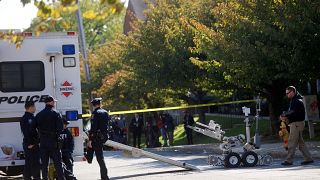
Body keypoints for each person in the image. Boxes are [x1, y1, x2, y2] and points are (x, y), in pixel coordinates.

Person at [280, 86, 314, 166]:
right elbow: (293, 112)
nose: (287, 95)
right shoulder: (296, 100)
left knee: (292, 142)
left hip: (296, 124)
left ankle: (289, 160)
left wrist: (284, 115)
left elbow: (293, 112)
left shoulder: (297, 101)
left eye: (288, 93)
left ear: (292, 92)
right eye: (286, 93)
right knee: (300, 143)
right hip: (297, 124)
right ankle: (308, 158)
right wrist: (286, 115)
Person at [35, 96, 65, 180]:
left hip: (43, 141)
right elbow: (60, 128)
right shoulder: (56, 113)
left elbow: (35, 127)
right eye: (54, 102)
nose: (55, 103)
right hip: (54, 141)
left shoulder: (39, 114)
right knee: (58, 163)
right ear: (51, 102)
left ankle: (45, 178)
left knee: (44, 164)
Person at [86, 98, 110, 180]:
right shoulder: (105, 112)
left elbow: (94, 128)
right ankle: (104, 177)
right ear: (100, 104)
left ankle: (89, 159)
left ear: (93, 105)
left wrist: (90, 139)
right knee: (100, 156)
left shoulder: (95, 113)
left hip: (97, 137)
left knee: (99, 158)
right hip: (104, 136)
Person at [20, 101, 41, 180]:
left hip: (30, 143)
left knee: (28, 163)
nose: (35, 108)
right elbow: (27, 132)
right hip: (31, 144)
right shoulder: (28, 118)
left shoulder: (29, 117)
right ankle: (36, 178)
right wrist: (30, 143)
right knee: (35, 163)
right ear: (31, 107)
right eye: (34, 107)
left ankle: (27, 177)